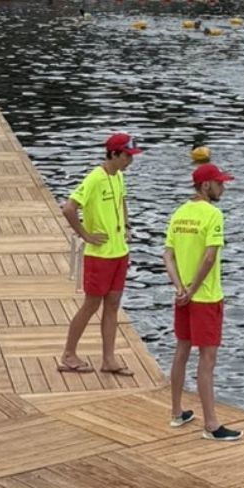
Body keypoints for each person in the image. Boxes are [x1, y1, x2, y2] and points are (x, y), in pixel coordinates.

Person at [165, 162, 242, 441]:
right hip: (206, 297)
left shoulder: (179, 213)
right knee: (207, 360)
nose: (223, 188)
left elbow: (168, 255)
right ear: (206, 185)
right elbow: (209, 257)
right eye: (220, 184)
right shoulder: (213, 214)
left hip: (182, 296)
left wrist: (180, 288)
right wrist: (194, 289)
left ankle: (176, 412)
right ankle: (211, 424)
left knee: (181, 350)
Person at [58, 132, 143, 375]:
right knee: (91, 304)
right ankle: (69, 354)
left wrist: (126, 227)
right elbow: (68, 209)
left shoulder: (118, 176)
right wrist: (85, 235)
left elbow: (122, 201)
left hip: (119, 252)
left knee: (113, 304)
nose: (130, 161)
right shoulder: (95, 178)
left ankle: (108, 359)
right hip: (100, 255)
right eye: (127, 156)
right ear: (114, 154)